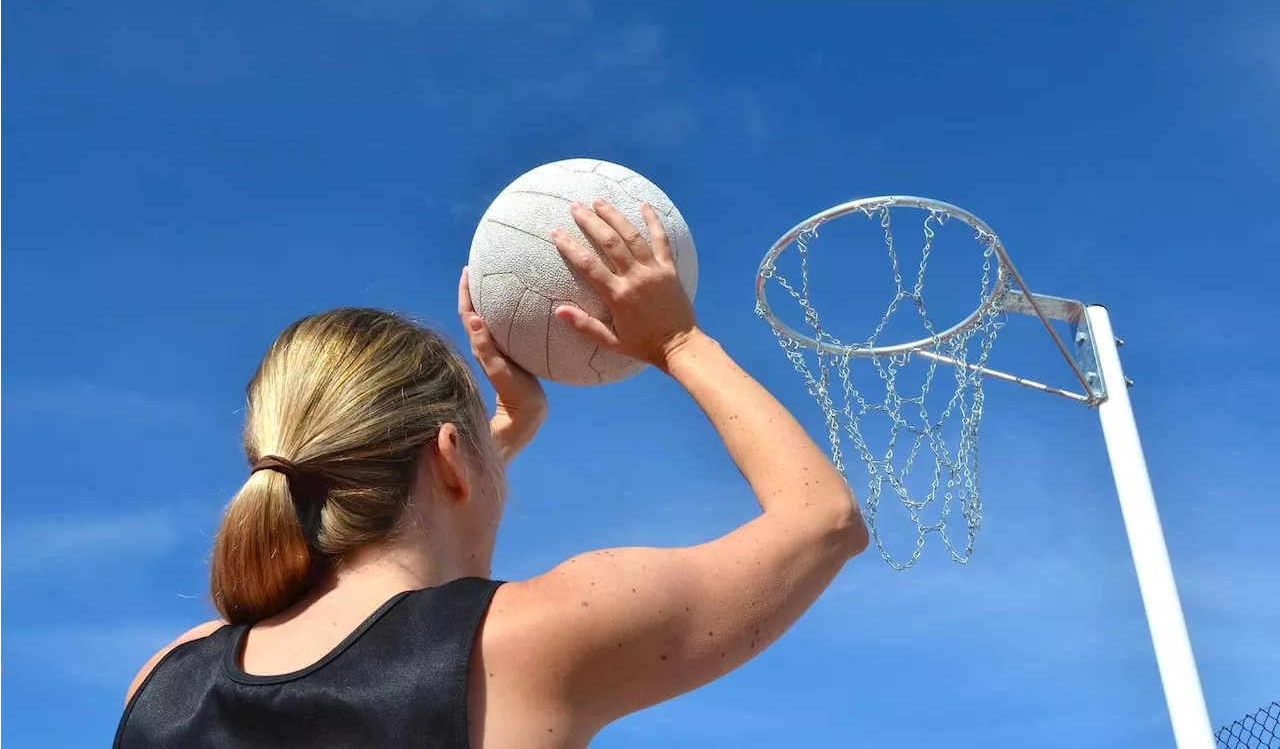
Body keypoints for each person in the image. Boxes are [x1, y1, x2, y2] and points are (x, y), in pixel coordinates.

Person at [114, 199, 869, 749]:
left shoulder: (166, 679)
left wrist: (491, 441)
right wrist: (677, 339)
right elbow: (823, 523)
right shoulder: (520, 643)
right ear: (448, 458)